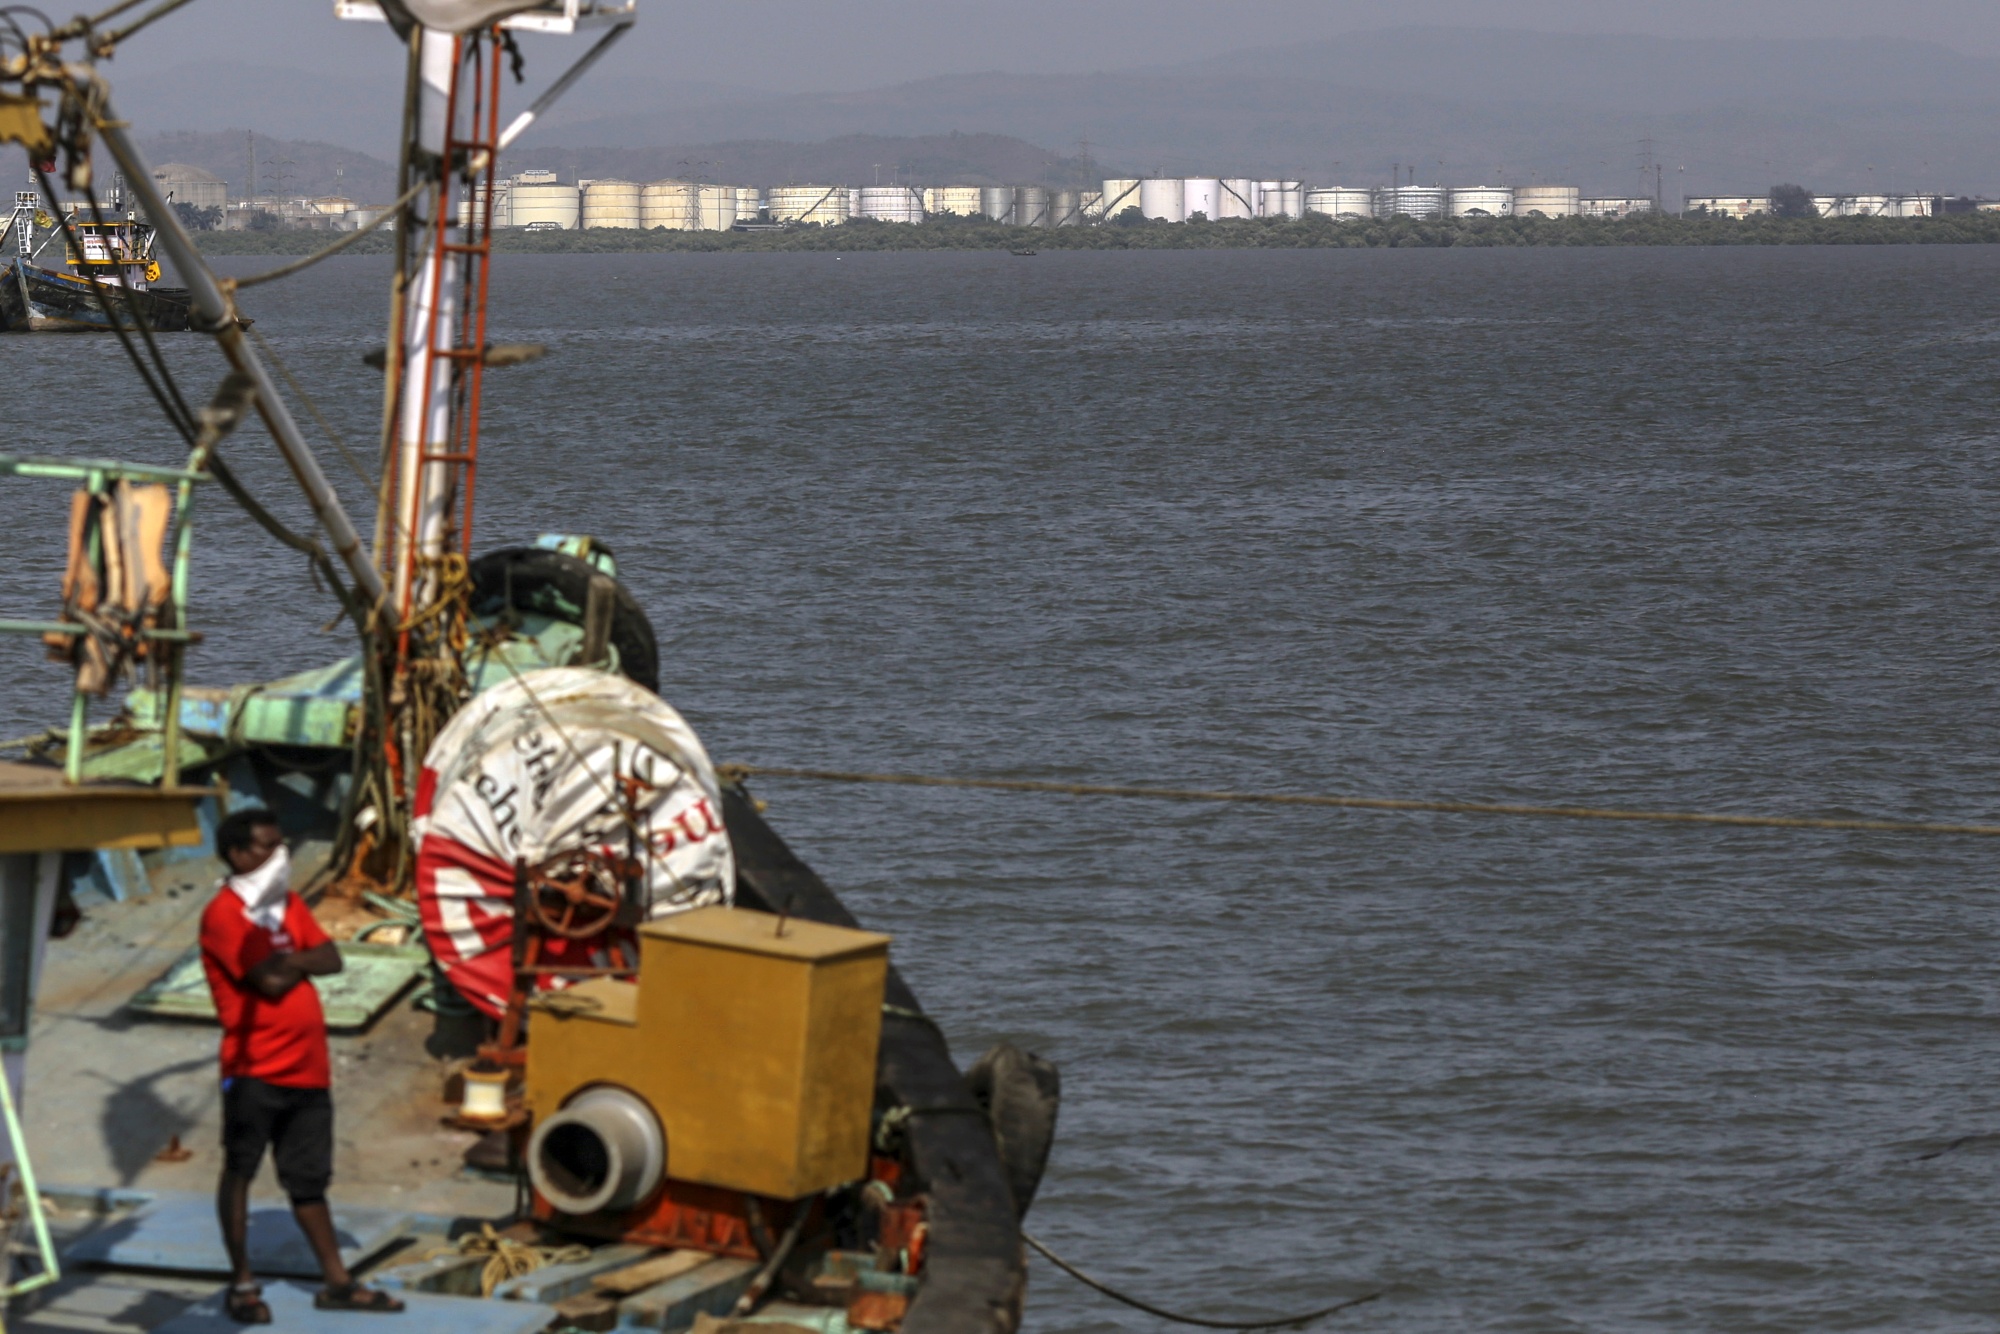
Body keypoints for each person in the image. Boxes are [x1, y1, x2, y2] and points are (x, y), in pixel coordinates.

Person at [199, 807, 404, 1323]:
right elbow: (267, 982)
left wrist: (285, 961)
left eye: (281, 844)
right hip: (255, 1069)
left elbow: (332, 959)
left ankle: (337, 1280)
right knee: (241, 1169)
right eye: (268, 847)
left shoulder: (287, 905)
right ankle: (242, 1283)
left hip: (308, 1071)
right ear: (239, 855)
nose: (280, 856)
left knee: (309, 1179)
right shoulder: (224, 916)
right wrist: (297, 961)